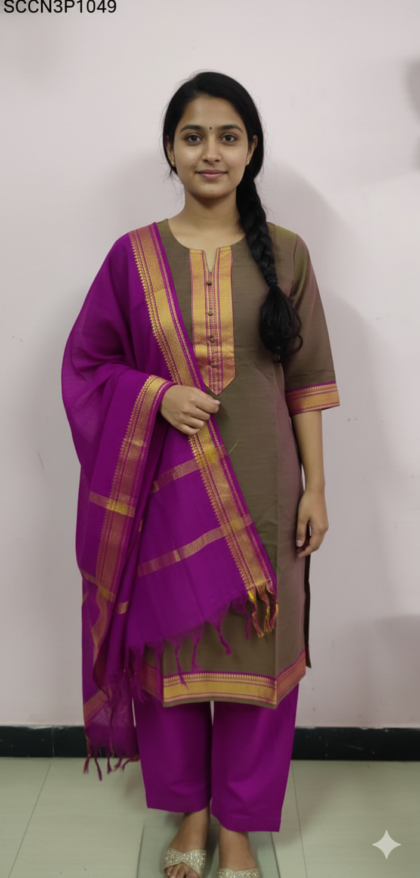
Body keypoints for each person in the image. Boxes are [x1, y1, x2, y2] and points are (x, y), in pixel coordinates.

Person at [62, 71, 339, 878]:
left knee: (261, 661)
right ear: (170, 151)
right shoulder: (132, 257)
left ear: (251, 150)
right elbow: (87, 366)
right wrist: (156, 395)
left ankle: (240, 827)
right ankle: (189, 813)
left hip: (267, 491)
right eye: (193, 137)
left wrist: (317, 488)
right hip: (165, 497)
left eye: (227, 136)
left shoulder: (288, 253)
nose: (210, 152)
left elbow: (306, 381)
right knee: (170, 660)